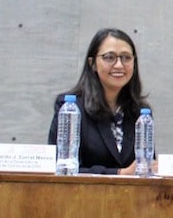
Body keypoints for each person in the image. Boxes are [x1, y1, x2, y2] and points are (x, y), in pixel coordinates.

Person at [48, 29, 150, 175]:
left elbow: (147, 165)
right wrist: (119, 173)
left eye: (126, 58)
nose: (119, 65)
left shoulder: (141, 112)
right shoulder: (70, 108)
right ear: (92, 63)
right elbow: (62, 167)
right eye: (109, 57)